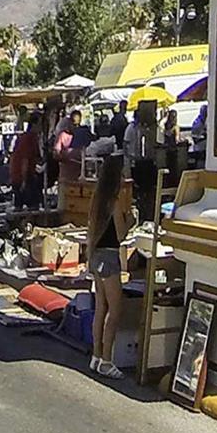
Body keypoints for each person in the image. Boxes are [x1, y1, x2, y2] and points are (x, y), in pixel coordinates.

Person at [87, 153, 134, 379]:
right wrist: (130, 221)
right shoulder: (114, 202)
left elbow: (91, 230)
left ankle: (96, 355)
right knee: (115, 310)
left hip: (96, 255)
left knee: (100, 308)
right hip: (109, 257)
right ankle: (106, 359)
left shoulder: (97, 199)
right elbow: (121, 234)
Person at [10, 114, 43, 209]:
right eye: (40, 124)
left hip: (25, 174)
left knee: (23, 204)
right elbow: (25, 160)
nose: (41, 127)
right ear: (34, 124)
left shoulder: (31, 138)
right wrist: (24, 180)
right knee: (31, 204)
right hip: (22, 175)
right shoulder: (28, 139)